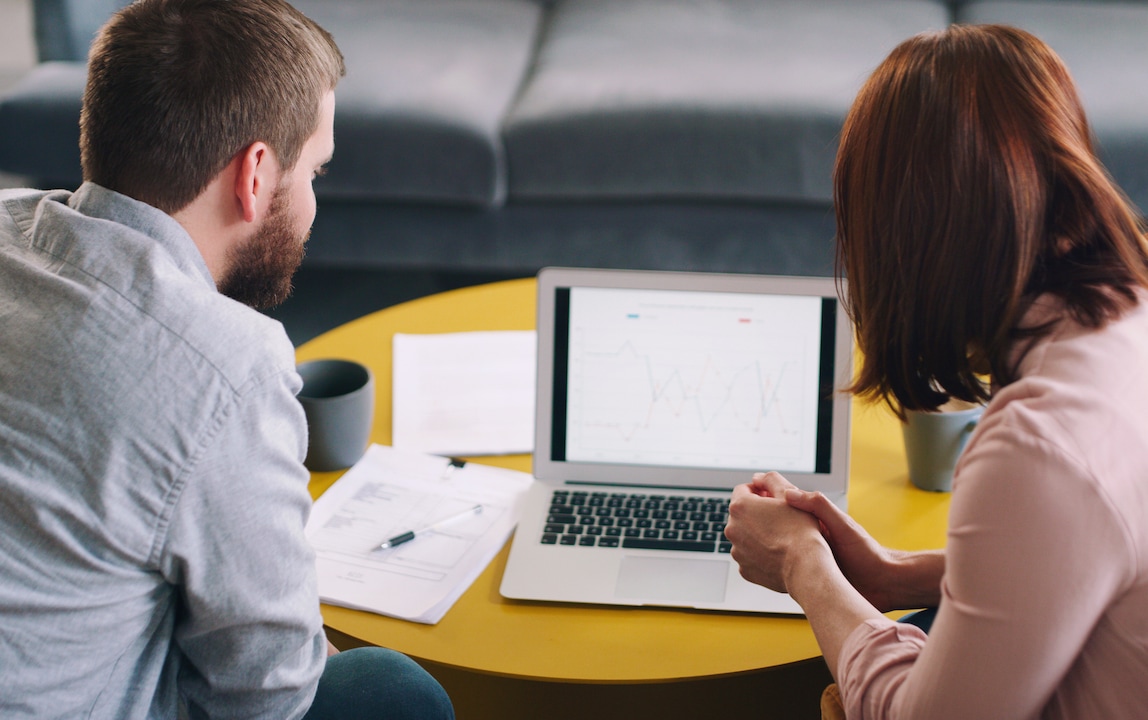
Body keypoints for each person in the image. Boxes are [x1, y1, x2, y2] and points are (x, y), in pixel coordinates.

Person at [0, 1, 453, 718]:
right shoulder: (223, 366)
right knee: (392, 692)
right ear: (256, 174)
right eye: (315, 172)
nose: (312, 204)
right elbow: (268, 695)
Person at [724, 24, 1148, 719]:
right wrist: (894, 574)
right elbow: (1081, 556)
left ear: (904, 240)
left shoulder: (1038, 445)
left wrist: (804, 567)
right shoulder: (1129, 314)